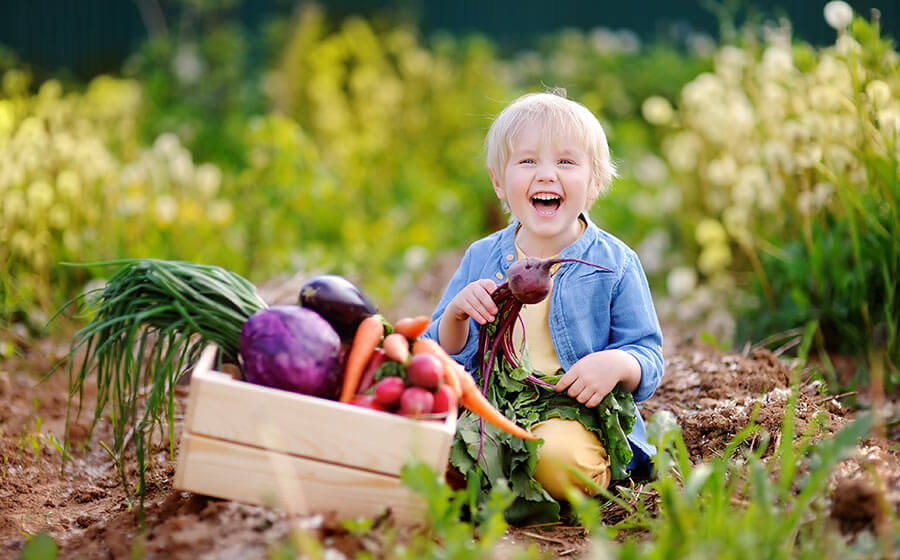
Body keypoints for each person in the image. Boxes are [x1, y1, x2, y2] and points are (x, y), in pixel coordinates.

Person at [423, 90, 664, 501]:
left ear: (594, 184)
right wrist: (457, 316)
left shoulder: (614, 263)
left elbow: (649, 355)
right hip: (491, 408)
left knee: (556, 459)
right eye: (528, 160)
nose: (547, 175)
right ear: (499, 182)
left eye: (566, 162)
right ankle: (497, 476)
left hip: (572, 414)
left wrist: (617, 364)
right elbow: (440, 354)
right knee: (425, 444)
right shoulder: (482, 257)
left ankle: (572, 471)